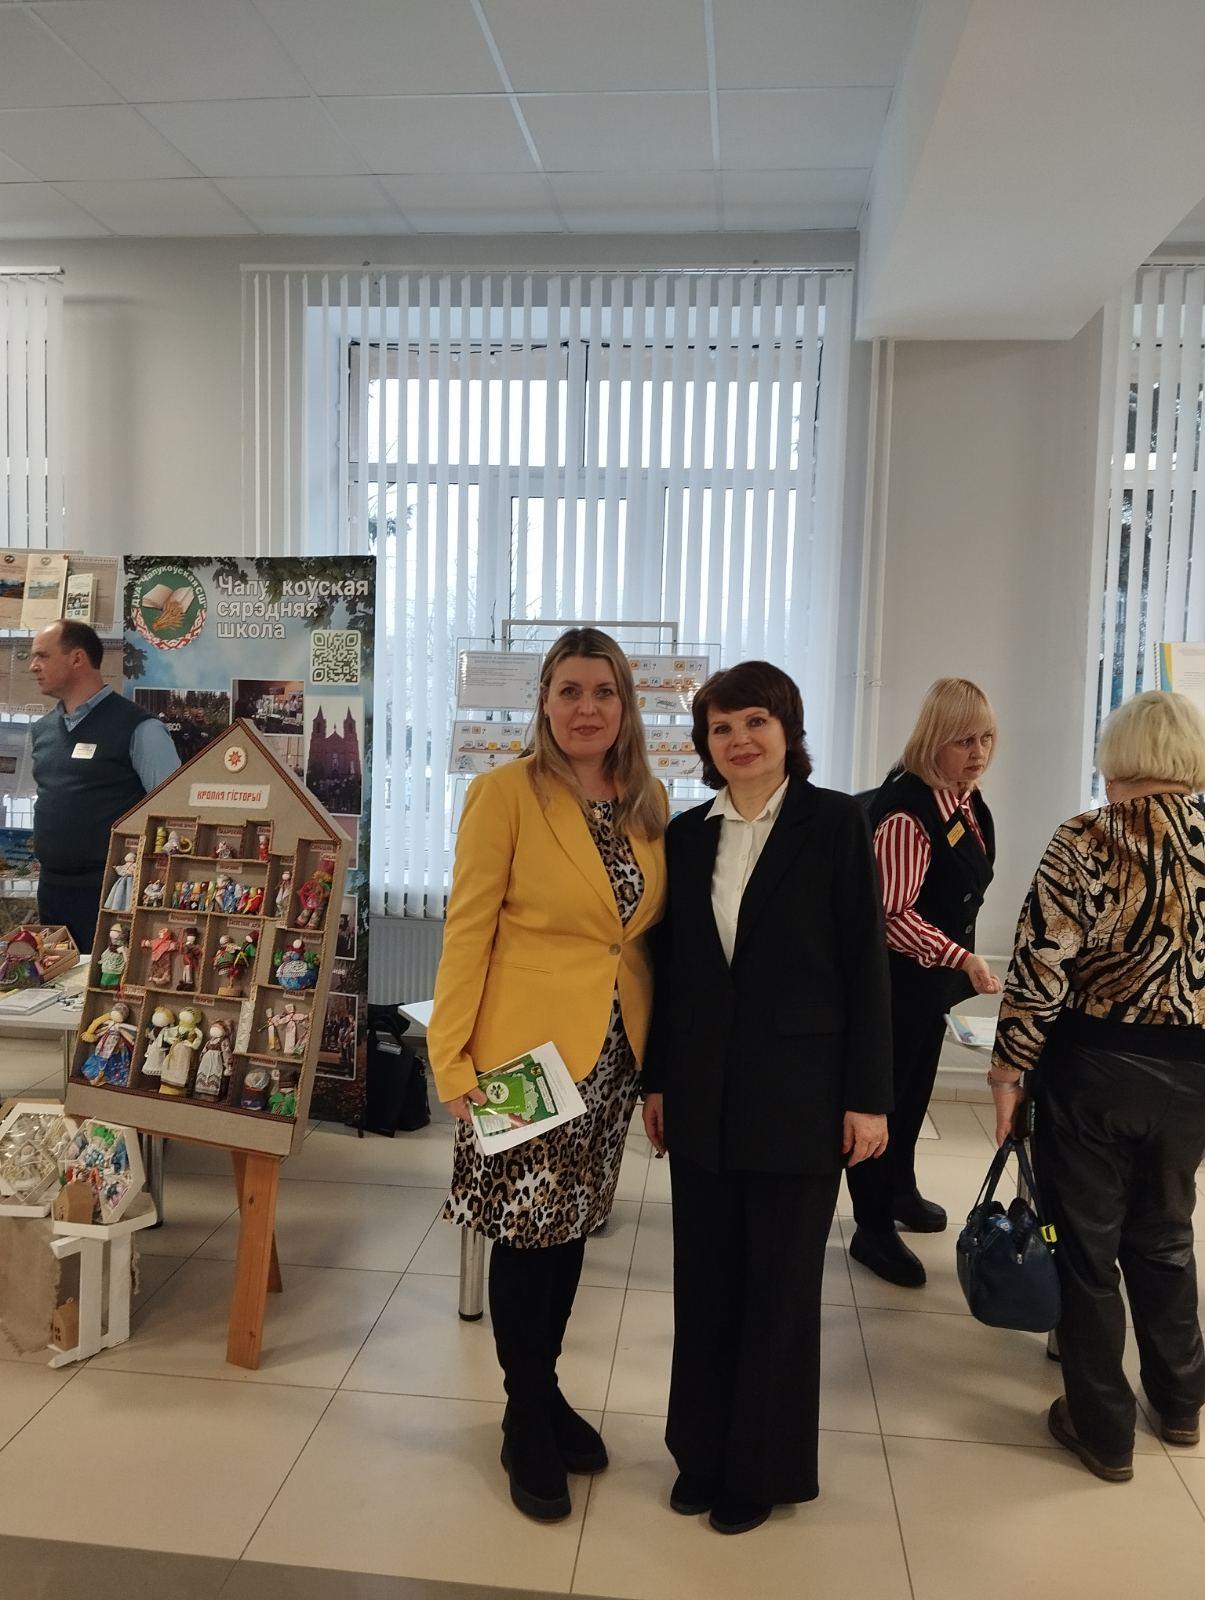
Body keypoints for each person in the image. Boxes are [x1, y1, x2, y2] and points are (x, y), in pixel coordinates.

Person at [641, 661, 892, 1536]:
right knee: (704, 1282)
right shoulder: (686, 834)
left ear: (787, 728)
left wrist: (868, 1098)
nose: (739, 739)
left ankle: (761, 1467)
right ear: (704, 744)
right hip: (702, 1094)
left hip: (801, 1097)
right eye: (720, 727)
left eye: (755, 721)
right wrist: (658, 1080)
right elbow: (673, 972)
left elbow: (864, 965)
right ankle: (699, 1454)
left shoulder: (835, 823)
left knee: (778, 1292)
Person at [428, 627, 667, 1523]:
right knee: (523, 1234)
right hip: (520, 1058)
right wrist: (450, 1056)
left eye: (603, 692)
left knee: (568, 1232)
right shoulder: (504, 795)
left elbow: (636, 939)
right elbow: (467, 930)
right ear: (543, 701)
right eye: (569, 691)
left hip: (611, 1056)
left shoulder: (645, 802)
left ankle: (545, 1385)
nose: (586, 709)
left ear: (625, 705)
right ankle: (523, 1413)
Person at [990, 689, 1205, 1482]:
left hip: (1093, 1069)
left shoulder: (1086, 837)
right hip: (1194, 1073)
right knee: (1166, 1232)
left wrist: (1008, 1069)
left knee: (1085, 1251)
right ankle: (1180, 1402)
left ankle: (1101, 1426)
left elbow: (1040, 967)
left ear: (1118, 753)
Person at [846, 677, 1001, 1289]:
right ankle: (871, 1226)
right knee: (879, 1101)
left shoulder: (964, 800)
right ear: (934, 740)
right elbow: (891, 917)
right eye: (964, 740)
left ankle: (900, 1188)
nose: (978, 752)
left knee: (912, 1096)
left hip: (927, 986)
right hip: (892, 986)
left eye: (986, 738)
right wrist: (960, 957)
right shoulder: (908, 814)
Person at [30, 619, 180, 947]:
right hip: (52, 890)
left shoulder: (140, 728)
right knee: (59, 975)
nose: (33, 666)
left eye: (42, 656)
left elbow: (175, 813)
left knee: (110, 975)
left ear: (77, 658)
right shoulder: (42, 730)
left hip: (113, 890)